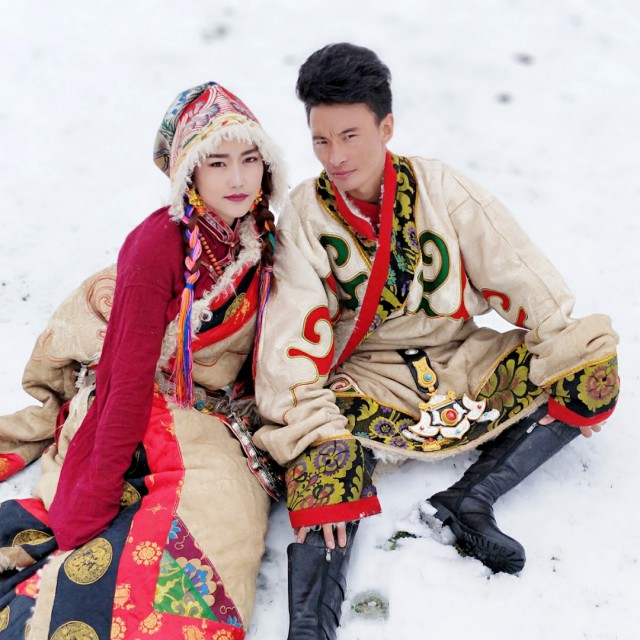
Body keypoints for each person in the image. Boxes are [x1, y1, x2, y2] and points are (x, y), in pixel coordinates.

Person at [252, 43, 620, 639]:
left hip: (463, 361)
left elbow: (526, 279)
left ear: (386, 126)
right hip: (367, 382)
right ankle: (311, 624)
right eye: (320, 140)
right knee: (322, 459)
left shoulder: (442, 188)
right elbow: (289, 340)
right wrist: (316, 431)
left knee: (590, 366)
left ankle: (468, 501)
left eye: (350, 135)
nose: (335, 156)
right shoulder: (305, 216)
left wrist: (568, 367)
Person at [0, 82, 287, 639]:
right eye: (218, 163)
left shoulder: (257, 233)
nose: (237, 178)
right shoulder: (157, 244)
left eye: (250, 159)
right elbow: (124, 379)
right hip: (138, 404)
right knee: (145, 522)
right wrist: (93, 496)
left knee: (225, 517)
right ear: (189, 174)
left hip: (212, 414)